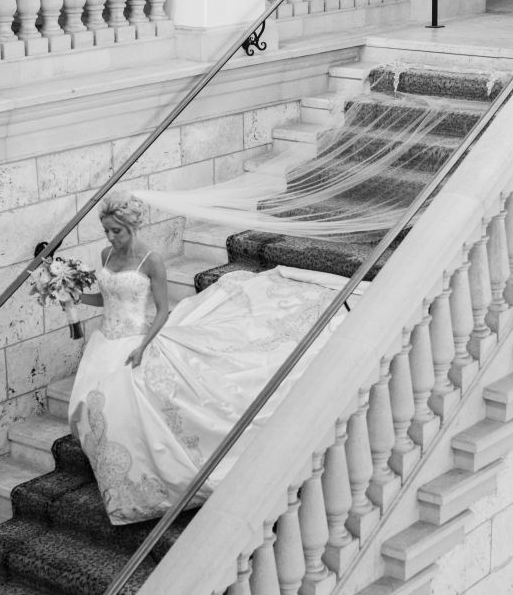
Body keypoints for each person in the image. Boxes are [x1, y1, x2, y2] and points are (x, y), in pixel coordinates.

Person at [67, 191, 357, 525]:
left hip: (136, 340)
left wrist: (143, 346)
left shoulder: (151, 260)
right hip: (105, 341)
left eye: (116, 231)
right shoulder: (105, 255)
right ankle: (113, 472)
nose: (110, 238)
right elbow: (105, 300)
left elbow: (162, 311)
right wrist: (74, 296)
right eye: (106, 231)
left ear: (130, 226)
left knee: (123, 401)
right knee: (97, 404)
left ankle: (145, 483)